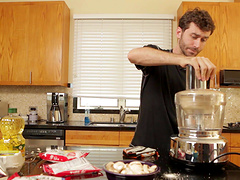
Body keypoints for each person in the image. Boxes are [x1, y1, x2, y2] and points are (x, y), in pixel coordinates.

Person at [127, 8, 216, 157]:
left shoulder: (199, 74)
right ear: (179, 32)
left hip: (180, 154)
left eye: (203, 39)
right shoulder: (158, 59)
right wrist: (183, 59)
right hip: (145, 152)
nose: (197, 45)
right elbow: (133, 55)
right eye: (194, 36)